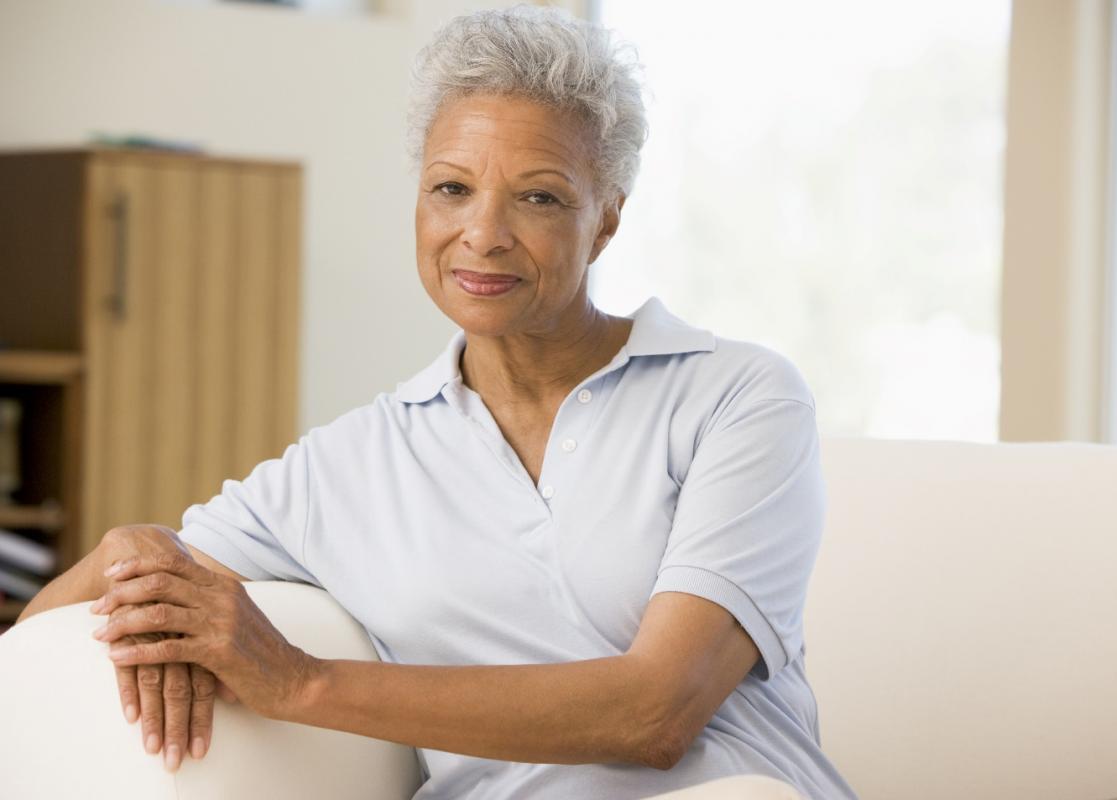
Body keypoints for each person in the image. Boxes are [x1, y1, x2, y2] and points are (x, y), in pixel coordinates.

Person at [18, 6, 858, 799]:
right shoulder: (348, 467)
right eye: (451, 189)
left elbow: (656, 713)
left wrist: (301, 681)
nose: (483, 233)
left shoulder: (738, 397)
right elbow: (33, 636)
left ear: (605, 221)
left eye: (539, 197)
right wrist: (131, 553)